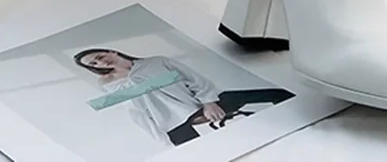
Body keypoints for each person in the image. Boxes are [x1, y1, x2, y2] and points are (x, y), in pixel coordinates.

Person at [74, 48, 294, 146]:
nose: (100, 62)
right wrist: (160, 138)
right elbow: (136, 112)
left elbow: (193, 78)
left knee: (278, 94)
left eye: (100, 56)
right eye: (94, 63)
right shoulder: (108, 85)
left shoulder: (156, 61)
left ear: (112, 51)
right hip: (171, 122)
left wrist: (209, 102)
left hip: (201, 102)